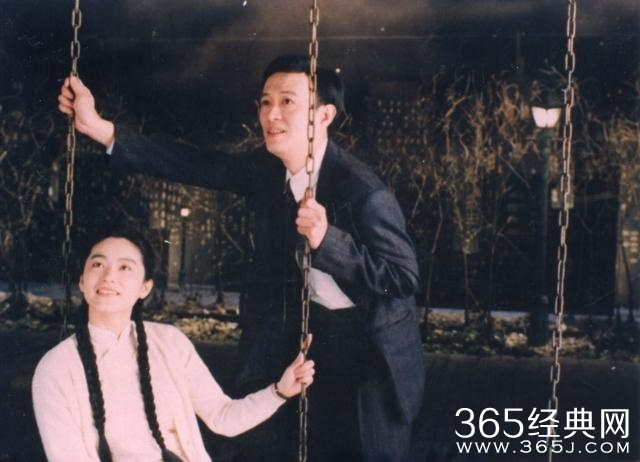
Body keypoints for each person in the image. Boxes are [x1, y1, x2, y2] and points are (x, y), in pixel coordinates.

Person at [57, 55, 425, 461]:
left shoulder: (364, 191)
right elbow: (195, 164)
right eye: (266, 102)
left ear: (324, 115)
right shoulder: (267, 169)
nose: (271, 114)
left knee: (364, 451)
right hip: (307, 334)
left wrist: (328, 241)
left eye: (288, 102)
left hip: (370, 349)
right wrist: (98, 128)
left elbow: (402, 278)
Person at [32, 230, 314, 462]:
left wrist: (279, 391)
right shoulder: (56, 369)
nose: (108, 277)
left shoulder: (169, 342)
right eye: (98, 264)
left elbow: (222, 416)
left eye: (125, 267)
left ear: (145, 287)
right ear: (82, 281)